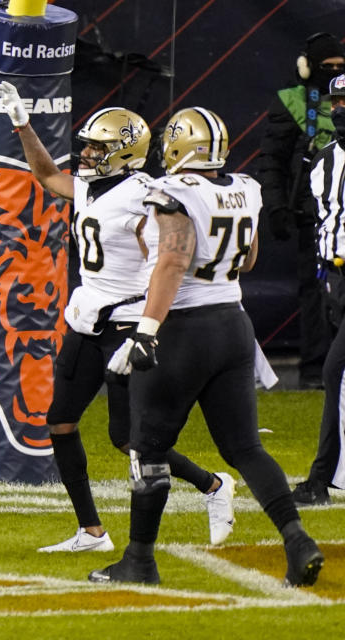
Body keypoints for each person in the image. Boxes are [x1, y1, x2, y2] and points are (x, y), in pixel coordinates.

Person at [0, 82, 236, 552]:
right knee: (60, 422)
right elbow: (46, 176)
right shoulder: (89, 185)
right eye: (86, 144)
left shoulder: (146, 193)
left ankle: (212, 486)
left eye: (96, 146)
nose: (85, 153)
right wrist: (22, 124)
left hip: (126, 326)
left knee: (128, 439)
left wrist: (145, 329)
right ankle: (91, 531)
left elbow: (162, 261)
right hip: (87, 321)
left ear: (124, 152)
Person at [91, 107, 323, 587]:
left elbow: (173, 262)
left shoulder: (172, 191)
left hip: (183, 329)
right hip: (233, 326)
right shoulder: (246, 188)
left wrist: (145, 330)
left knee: (149, 448)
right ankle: (296, 537)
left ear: (178, 146)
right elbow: (251, 256)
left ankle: (139, 561)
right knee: (246, 447)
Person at [258, 33, 344, 390]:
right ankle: (314, 368)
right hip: (313, 212)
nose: (334, 73)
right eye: (328, 68)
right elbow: (273, 160)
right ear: (308, 68)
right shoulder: (293, 102)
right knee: (315, 291)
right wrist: (276, 206)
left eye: (340, 68)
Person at [295, 73, 345, 506]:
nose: (341, 109)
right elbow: (324, 223)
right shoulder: (325, 158)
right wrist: (325, 273)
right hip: (336, 278)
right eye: (337, 102)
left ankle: (320, 480)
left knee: (335, 372)